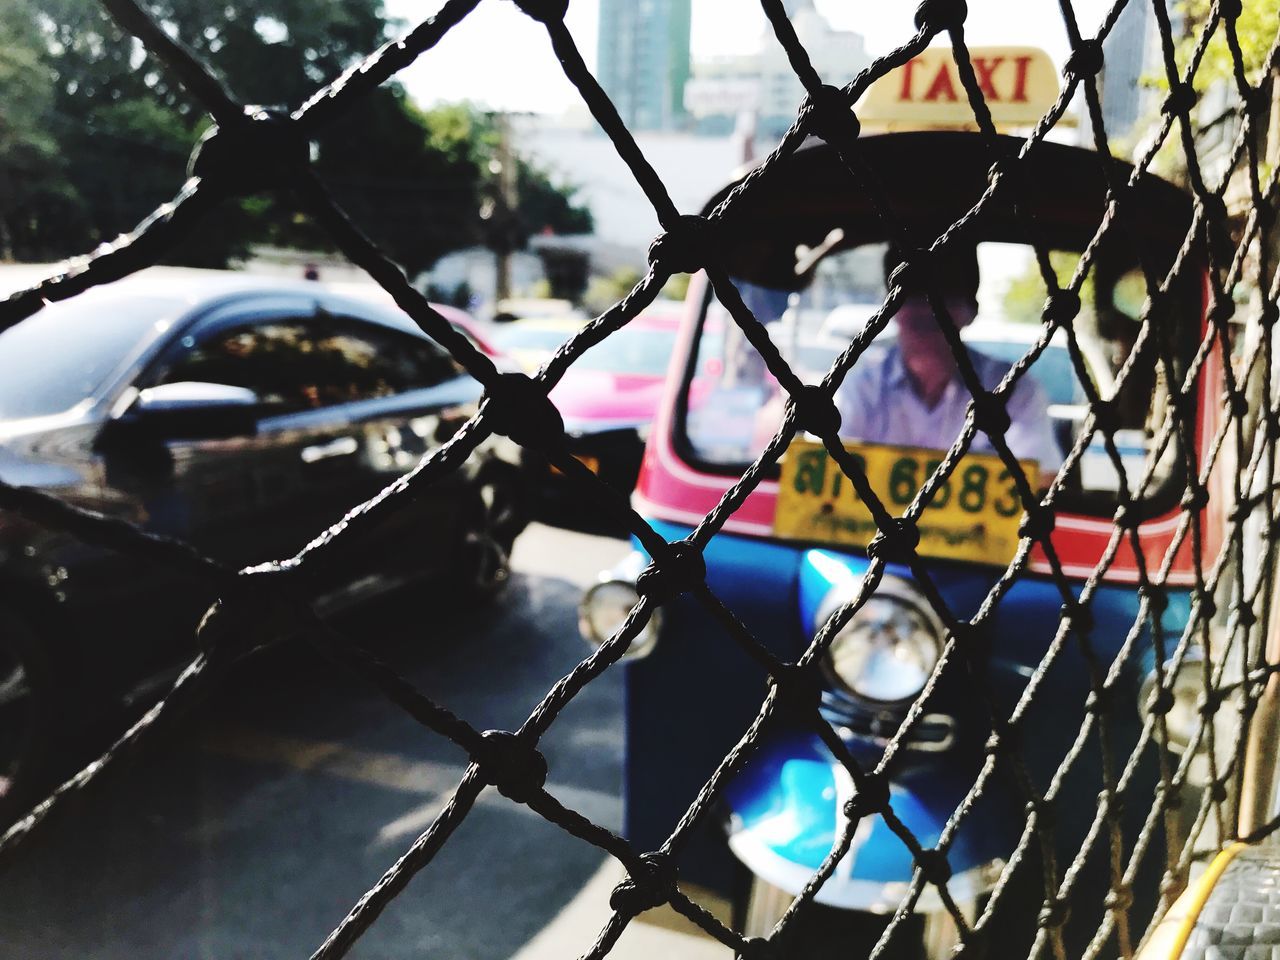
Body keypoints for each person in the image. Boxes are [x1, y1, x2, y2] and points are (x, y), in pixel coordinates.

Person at [834, 244, 1063, 478]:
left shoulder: (1012, 390)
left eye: (945, 296)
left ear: (971, 310)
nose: (927, 308)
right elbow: (823, 470)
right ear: (889, 309)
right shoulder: (861, 389)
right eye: (911, 295)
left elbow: (1040, 478)